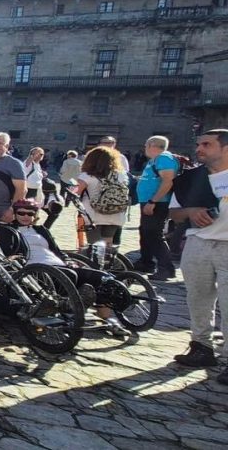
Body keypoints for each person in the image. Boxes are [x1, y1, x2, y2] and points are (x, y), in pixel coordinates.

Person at [0, 199, 128, 336]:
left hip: (59, 264)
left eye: (30, 214)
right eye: (22, 213)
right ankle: (72, 306)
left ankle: (108, 315)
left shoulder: (41, 230)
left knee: (100, 277)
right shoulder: (8, 231)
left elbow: (57, 251)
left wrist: (67, 260)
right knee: (71, 275)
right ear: (15, 213)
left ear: (35, 215)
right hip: (36, 268)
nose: (26, 216)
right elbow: (8, 253)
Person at [169, 129, 228, 384]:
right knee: (198, 299)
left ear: (225, 149)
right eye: (198, 144)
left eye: (206, 144)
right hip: (198, 243)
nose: (199, 149)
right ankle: (201, 346)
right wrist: (191, 211)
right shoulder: (191, 178)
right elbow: (174, 214)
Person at [135, 136, 179, 281]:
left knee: (154, 235)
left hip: (157, 203)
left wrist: (153, 201)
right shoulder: (155, 160)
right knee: (146, 232)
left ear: (151, 145)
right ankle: (146, 262)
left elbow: (168, 181)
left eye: (146, 145)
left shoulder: (164, 158)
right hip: (150, 202)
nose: (144, 148)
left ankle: (166, 269)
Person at [72, 146, 130, 253]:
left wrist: (72, 189)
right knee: (108, 244)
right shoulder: (120, 174)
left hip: (93, 215)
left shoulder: (87, 175)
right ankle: (108, 264)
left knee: (95, 246)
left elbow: (75, 192)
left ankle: (95, 266)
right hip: (115, 213)